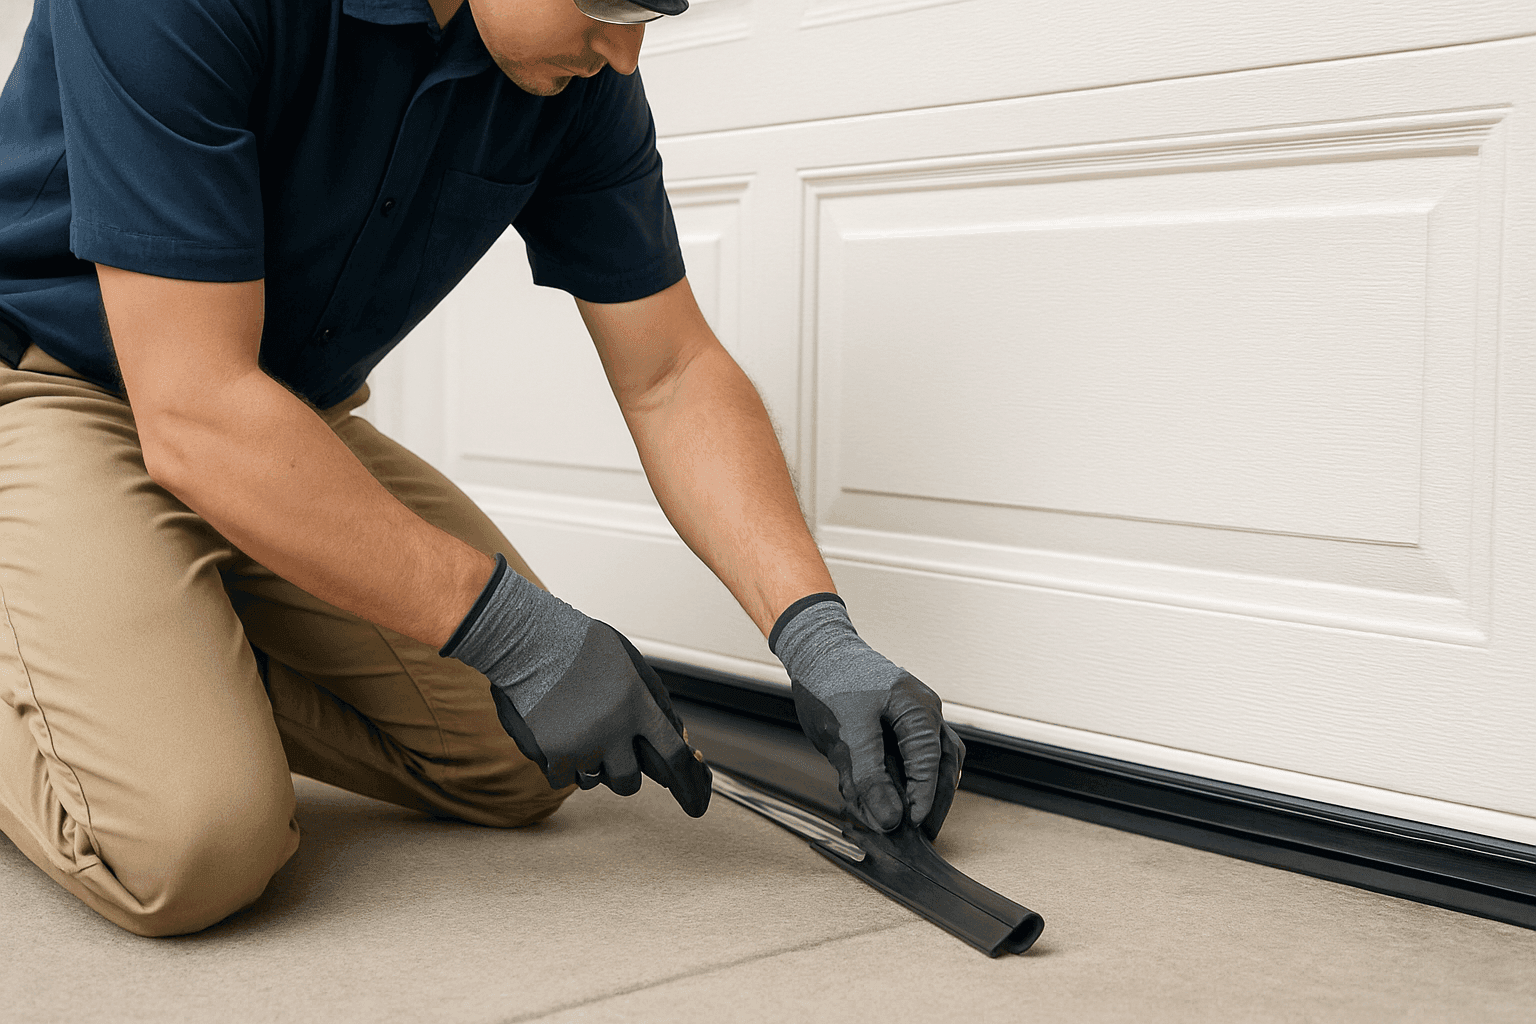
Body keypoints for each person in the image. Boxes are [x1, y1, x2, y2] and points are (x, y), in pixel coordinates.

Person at [0, 0, 965, 938]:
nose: (625, 55)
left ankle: (117, 660)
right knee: (192, 847)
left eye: (653, 12)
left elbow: (671, 371)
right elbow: (196, 406)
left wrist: (820, 638)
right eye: (606, 3)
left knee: (518, 762)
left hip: (273, 426)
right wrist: (520, 635)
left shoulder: (576, 79)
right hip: (48, 391)